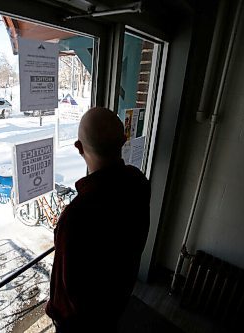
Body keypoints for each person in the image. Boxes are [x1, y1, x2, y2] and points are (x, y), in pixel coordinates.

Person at [46, 107, 151, 332]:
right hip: (115, 304)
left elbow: (69, 291)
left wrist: (57, 317)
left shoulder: (77, 215)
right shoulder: (138, 183)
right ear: (124, 141)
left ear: (79, 148)